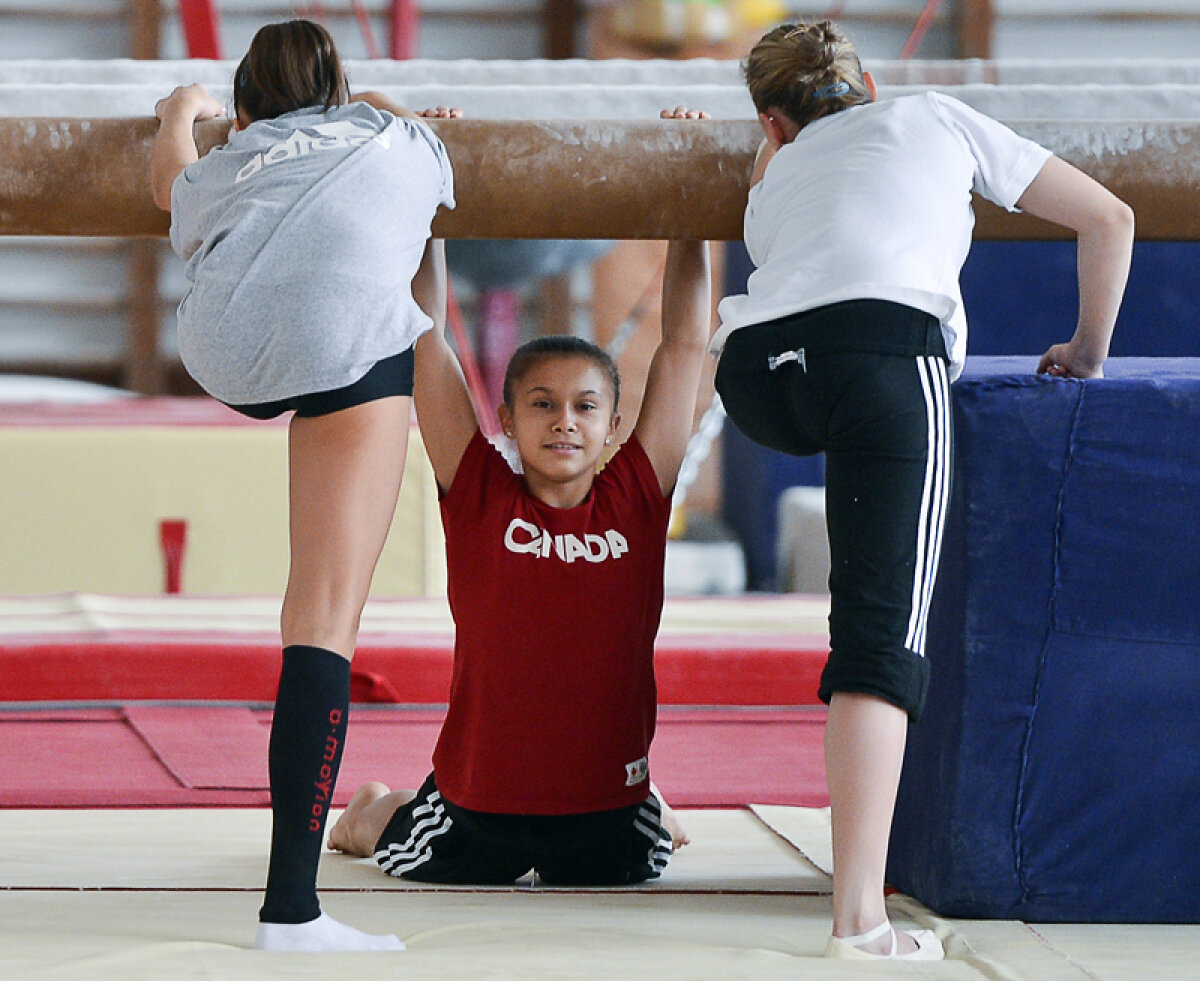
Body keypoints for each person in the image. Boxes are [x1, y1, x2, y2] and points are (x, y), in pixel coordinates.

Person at [712, 21, 1133, 961]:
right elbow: (1111, 218)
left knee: (872, 613)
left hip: (756, 376)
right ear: (871, 84)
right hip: (878, 359)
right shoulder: (933, 114)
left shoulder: (772, 172)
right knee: (879, 637)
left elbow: (783, 159)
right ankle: (859, 921)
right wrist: (1086, 355)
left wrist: (770, 138)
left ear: (772, 124)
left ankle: (860, 901)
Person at [327, 126, 711, 884]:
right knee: (369, 831)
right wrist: (427, 197)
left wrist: (689, 205)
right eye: (541, 403)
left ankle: (652, 798)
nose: (564, 419)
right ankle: (381, 801)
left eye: (583, 406)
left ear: (610, 422)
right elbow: (426, 341)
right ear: (506, 417)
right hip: (477, 806)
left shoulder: (636, 493)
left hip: (607, 810)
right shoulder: (478, 490)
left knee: (640, 863)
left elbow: (684, 347)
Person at [149, 19, 455, 952]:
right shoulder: (394, 142)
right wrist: (377, 108)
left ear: (243, 112)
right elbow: (431, 146)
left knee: (238, 255)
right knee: (320, 619)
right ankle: (292, 909)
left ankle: (294, 903)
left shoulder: (226, 160)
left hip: (227, 351)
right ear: (341, 95)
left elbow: (168, 185)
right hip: (342, 356)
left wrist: (180, 113)